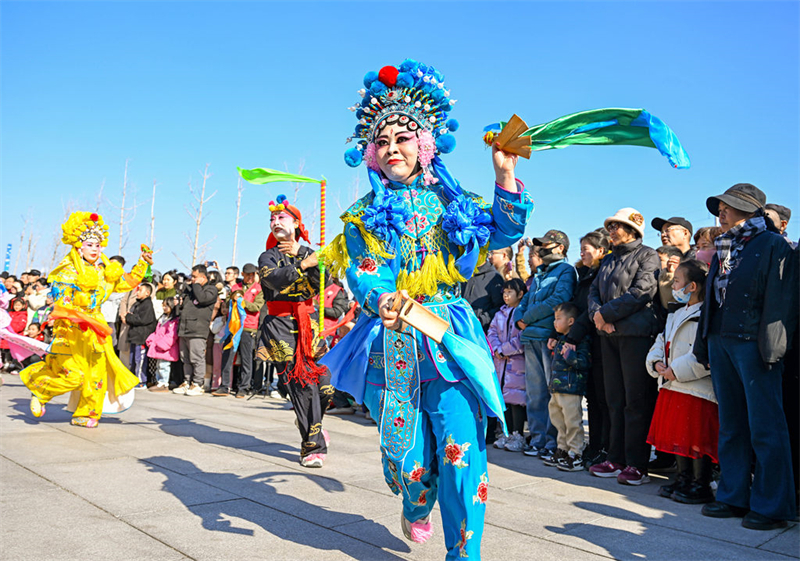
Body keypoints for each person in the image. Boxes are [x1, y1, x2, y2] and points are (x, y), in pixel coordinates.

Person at [320, 59, 532, 559]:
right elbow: (364, 270)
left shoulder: (454, 202)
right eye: (384, 141)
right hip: (394, 343)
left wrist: (505, 174)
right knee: (410, 463)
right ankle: (416, 507)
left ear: (426, 145)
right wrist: (381, 297)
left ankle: (464, 553)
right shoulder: (361, 216)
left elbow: (502, 230)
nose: (393, 149)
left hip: (450, 338)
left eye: (404, 138)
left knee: (462, 456)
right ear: (372, 152)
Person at [694, 183, 797, 530]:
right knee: (732, 424)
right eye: (719, 207)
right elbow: (711, 300)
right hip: (721, 340)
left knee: (765, 425)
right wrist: (703, 343)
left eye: (728, 207)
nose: (720, 213)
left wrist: (774, 346)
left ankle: (772, 505)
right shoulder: (725, 246)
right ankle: (733, 496)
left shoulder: (773, 244)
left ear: (751, 211)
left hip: (755, 343)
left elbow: (782, 299)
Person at [20, 211, 151, 428]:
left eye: (98, 245)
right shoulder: (67, 271)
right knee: (73, 375)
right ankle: (41, 389)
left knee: (95, 375)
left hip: (96, 330)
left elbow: (126, 282)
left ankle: (87, 413)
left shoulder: (103, 272)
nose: (95, 249)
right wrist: (75, 314)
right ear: (79, 246)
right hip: (71, 328)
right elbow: (62, 301)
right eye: (90, 244)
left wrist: (142, 264)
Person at [257, 194, 333, 468]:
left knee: (325, 387)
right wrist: (301, 265)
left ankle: (313, 422)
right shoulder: (268, 256)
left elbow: (324, 281)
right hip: (279, 329)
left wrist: (305, 256)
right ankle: (311, 446)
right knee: (302, 387)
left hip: (308, 327)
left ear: (297, 223)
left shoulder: (311, 253)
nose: (275, 222)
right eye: (272, 218)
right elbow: (272, 280)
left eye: (281, 217)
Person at [587, 207, 660, 485]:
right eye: (610, 226)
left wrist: (607, 314)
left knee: (636, 401)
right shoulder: (608, 260)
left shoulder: (647, 255)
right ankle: (615, 458)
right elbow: (594, 292)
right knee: (614, 400)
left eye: (617, 226)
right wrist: (598, 317)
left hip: (635, 337)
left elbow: (642, 291)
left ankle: (637, 464)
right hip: (609, 336)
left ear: (633, 229)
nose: (612, 231)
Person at [646, 259, 717, 505]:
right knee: (679, 435)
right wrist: (656, 363)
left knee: (696, 437)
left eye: (677, 281)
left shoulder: (707, 314)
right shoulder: (676, 312)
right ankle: (684, 477)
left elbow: (704, 352)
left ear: (692, 286)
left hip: (695, 386)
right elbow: (661, 340)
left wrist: (677, 370)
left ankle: (701, 483)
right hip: (672, 384)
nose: (673, 284)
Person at [514, 229, 576, 460]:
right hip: (530, 338)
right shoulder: (539, 273)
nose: (540, 249)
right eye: (539, 245)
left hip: (547, 337)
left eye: (546, 245)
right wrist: (519, 316)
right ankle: (538, 439)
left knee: (552, 392)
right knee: (535, 393)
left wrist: (526, 318)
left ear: (560, 248)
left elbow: (559, 300)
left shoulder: (566, 271)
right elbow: (525, 300)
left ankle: (553, 441)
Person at [564, 230, 611, 467]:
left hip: (600, 339)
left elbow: (588, 310)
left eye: (587, 249)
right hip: (584, 339)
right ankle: (594, 446)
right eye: (580, 248)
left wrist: (573, 335)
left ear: (601, 250)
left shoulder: (603, 273)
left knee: (604, 397)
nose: (582, 253)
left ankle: (605, 447)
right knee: (591, 397)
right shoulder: (583, 274)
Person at [548, 302, 591, 471]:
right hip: (557, 389)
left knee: (572, 421)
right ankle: (563, 448)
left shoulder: (580, 341)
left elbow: (584, 362)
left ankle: (576, 452)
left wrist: (570, 355)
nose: (555, 323)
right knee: (558, 420)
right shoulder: (560, 340)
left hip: (571, 389)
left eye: (558, 319)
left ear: (571, 321)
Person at [487, 278, 527, 452]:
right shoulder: (500, 313)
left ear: (520, 294)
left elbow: (521, 339)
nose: (505, 295)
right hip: (500, 364)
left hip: (516, 363)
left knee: (516, 400)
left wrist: (504, 350)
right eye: (504, 292)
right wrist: (495, 348)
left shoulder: (522, 313)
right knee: (504, 399)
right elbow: (492, 332)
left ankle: (518, 434)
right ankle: (506, 432)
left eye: (510, 292)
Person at [213, 263, 264, 398]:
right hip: (233, 327)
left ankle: (244, 387)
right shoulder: (235, 288)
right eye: (247, 275)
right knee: (227, 356)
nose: (250, 277)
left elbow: (256, 307)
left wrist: (242, 302)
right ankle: (224, 386)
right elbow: (228, 302)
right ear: (242, 274)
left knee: (246, 359)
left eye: (252, 275)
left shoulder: (259, 289)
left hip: (248, 327)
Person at [174, 264, 217, 396]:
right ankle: (187, 382)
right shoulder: (190, 290)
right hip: (184, 328)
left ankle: (198, 383)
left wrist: (197, 285)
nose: (192, 279)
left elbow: (202, 299)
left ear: (203, 277)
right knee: (185, 358)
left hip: (197, 330)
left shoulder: (211, 290)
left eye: (195, 277)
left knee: (196, 358)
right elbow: (181, 309)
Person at [126, 282, 157, 387]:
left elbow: (143, 319)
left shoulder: (147, 304)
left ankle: (141, 382)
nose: (137, 292)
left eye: (140, 290)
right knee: (132, 360)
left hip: (141, 337)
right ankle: (133, 379)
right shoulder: (138, 303)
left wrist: (129, 317)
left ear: (147, 293)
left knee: (140, 360)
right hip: (135, 336)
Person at [146, 296, 180, 392]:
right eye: (164, 306)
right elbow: (157, 332)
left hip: (166, 348)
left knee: (164, 366)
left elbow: (171, 335)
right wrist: (151, 339)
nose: (164, 308)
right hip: (159, 346)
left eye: (167, 306)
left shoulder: (173, 320)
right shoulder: (163, 318)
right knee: (159, 365)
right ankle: (159, 381)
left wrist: (162, 344)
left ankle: (164, 383)